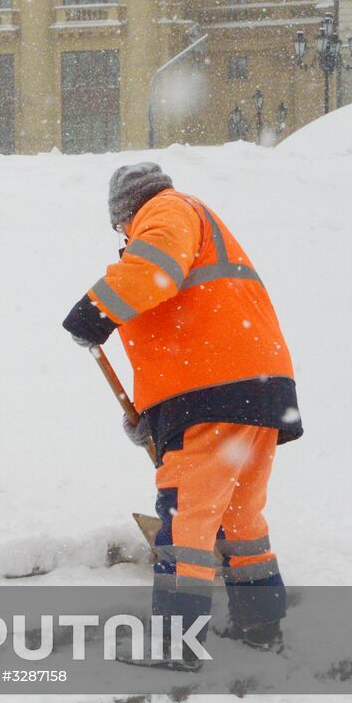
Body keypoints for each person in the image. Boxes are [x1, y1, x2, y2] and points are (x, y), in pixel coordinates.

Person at [62, 163, 300, 668]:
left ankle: (177, 646)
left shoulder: (167, 211)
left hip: (213, 387)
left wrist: (95, 311)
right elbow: (178, 326)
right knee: (241, 520)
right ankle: (260, 627)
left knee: (187, 522)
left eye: (120, 227)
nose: (125, 236)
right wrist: (154, 417)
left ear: (126, 210)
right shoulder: (196, 222)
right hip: (253, 388)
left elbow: (155, 272)